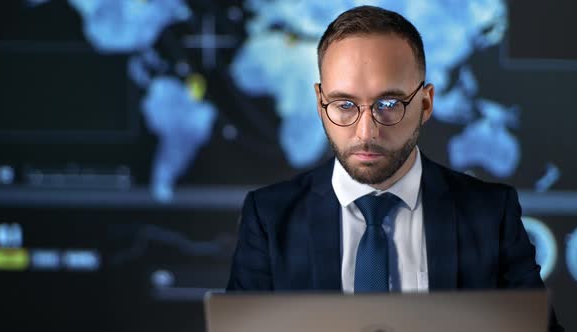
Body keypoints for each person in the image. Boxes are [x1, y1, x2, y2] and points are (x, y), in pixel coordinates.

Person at [226, 5, 562, 331]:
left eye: (389, 104)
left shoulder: (490, 215)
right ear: (319, 103)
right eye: (344, 105)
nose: (366, 132)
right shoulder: (270, 218)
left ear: (426, 103)